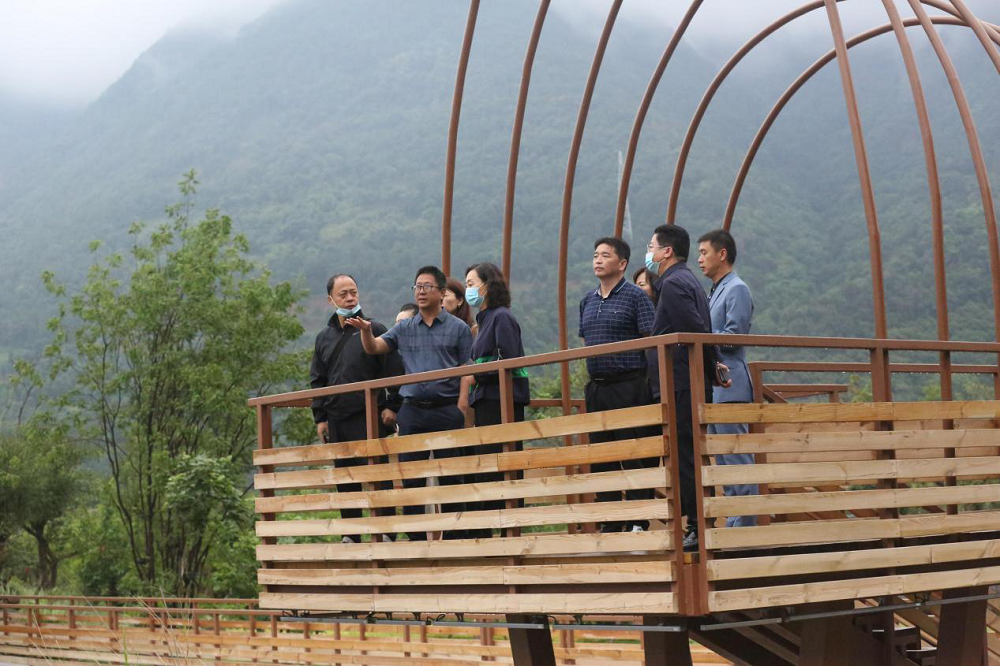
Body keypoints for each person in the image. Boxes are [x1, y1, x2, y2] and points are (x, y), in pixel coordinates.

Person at [348, 265, 473, 541]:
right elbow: (374, 347)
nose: (421, 291)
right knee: (410, 476)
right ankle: (415, 538)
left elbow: (468, 368)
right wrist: (366, 331)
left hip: (447, 409)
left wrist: (461, 407)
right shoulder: (404, 327)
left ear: (442, 292)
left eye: (427, 286)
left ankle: (456, 537)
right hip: (413, 410)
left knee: (452, 475)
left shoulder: (459, 328)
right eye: (417, 286)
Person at [645, 224, 728, 552]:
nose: (648, 253)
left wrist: (711, 363)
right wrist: (714, 363)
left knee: (685, 456)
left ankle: (696, 525)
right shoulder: (686, 279)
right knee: (690, 453)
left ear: (667, 251)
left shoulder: (673, 283)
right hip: (687, 378)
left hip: (680, 381)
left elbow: (693, 329)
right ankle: (698, 523)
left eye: (651, 247)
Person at [310, 274, 403, 543]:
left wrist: (392, 405)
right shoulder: (323, 338)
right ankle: (351, 535)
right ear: (330, 300)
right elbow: (318, 379)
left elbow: (394, 370)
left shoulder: (375, 328)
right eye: (343, 294)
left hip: (369, 414)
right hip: (336, 417)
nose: (350, 298)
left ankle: (385, 532)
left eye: (353, 292)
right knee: (345, 476)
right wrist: (320, 418)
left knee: (378, 474)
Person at [579, 237, 658, 533]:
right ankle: (610, 521)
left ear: (622, 263)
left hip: (630, 384)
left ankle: (638, 521)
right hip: (597, 387)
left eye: (605, 255)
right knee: (601, 456)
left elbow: (651, 342)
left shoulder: (636, 297)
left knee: (634, 453)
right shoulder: (587, 300)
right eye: (595, 255)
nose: (598, 260)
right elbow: (586, 342)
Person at [458, 262, 530, 538]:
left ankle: (509, 529)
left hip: (502, 399)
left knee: (503, 463)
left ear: (487, 286)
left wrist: (476, 372)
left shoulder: (501, 317)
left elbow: (506, 358)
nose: (468, 289)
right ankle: (492, 529)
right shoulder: (484, 320)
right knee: (488, 464)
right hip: (485, 399)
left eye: (472, 284)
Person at [698, 229, 757, 527]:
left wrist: (701, 338)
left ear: (722, 254)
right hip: (717, 385)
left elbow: (735, 335)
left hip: (731, 383)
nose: (700, 259)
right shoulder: (716, 290)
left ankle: (745, 529)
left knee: (736, 456)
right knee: (723, 458)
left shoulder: (737, 289)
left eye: (704, 253)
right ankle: (735, 524)